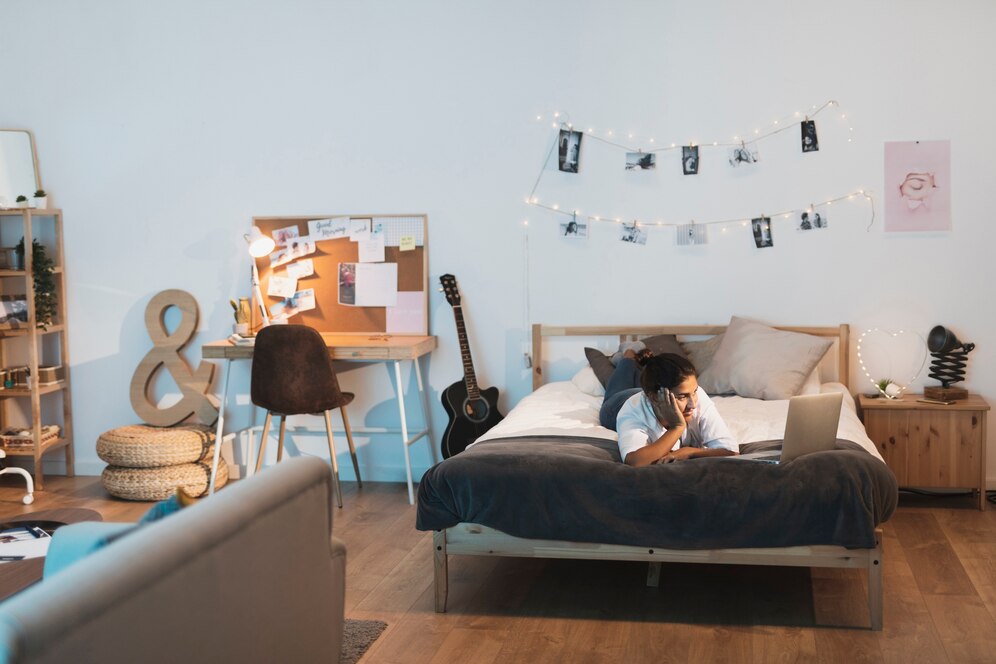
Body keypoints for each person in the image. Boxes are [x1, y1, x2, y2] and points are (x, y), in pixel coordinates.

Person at [598, 350, 738, 466]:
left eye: (694, 392)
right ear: (654, 397)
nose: (693, 404)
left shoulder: (698, 397)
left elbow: (731, 452)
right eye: (682, 397)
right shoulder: (632, 410)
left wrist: (690, 452)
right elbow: (635, 462)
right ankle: (628, 358)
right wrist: (677, 427)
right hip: (617, 403)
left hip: (648, 393)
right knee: (617, 387)